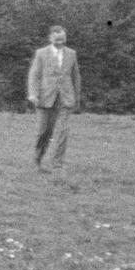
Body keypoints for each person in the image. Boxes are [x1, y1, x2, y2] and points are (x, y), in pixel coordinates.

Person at [26, 24, 82, 170]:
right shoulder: (41, 53)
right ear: (50, 38)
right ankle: (37, 159)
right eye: (57, 40)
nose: (60, 43)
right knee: (44, 131)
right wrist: (33, 94)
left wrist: (76, 98)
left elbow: (76, 76)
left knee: (63, 131)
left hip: (65, 98)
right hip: (45, 98)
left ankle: (57, 164)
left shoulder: (71, 54)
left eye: (62, 39)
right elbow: (34, 75)